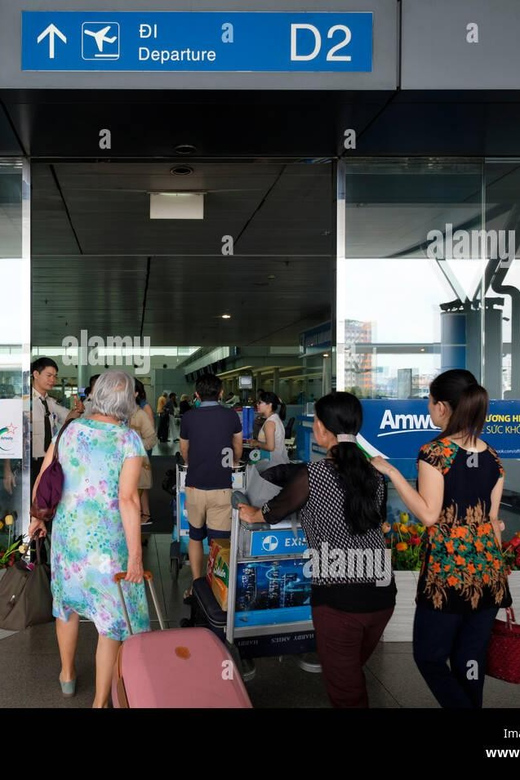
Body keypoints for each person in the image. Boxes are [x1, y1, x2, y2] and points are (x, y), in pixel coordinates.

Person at [239, 392, 395, 708]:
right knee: (351, 674)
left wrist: (247, 511)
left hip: (340, 600)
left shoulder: (314, 475)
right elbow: (379, 524)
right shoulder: (375, 474)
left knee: (346, 692)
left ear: (321, 428)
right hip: (381, 595)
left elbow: (270, 512)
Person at [371, 369, 512, 709]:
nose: (429, 408)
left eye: (430, 402)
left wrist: (391, 472)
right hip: (488, 573)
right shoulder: (492, 454)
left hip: (448, 574)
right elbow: (494, 522)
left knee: (429, 658)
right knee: (470, 661)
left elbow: (429, 514)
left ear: (443, 407)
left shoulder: (435, 452)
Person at [28, 371, 150, 708]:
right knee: (111, 618)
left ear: (95, 394)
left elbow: (45, 475)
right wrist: (136, 555)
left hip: (68, 537)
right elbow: (128, 499)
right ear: (128, 401)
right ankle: (99, 702)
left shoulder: (70, 428)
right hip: (108, 544)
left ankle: (67, 675)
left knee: (66, 607)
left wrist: (38, 519)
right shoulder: (128, 440)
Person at [180, 374, 242, 599]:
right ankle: (217, 591)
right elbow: (237, 446)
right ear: (221, 392)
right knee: (218, 542)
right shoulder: (230, 416)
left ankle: (196, 587)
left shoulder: (188, 417)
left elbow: (184, 450)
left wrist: (193, 463)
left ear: (196, 394)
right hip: (222, 487)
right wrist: (233, 462)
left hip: (195, 486)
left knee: (195, 536)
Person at [31, 357, 83, 489]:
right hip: (30, 463)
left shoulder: (50, 403)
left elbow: (68, 417)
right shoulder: (25, 402)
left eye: (55, 376)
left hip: (48, 461)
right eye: (49, 375)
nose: (53, 380)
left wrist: (78, 410)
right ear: (36, 374)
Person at [130, 379, 158, 526]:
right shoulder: (116, 413)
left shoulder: (141, 413)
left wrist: (137, 448)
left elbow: (152, 438)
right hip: (120, 463)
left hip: (138, 460)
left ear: (135, 393)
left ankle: (143, 515)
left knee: (138, 488)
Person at [249, 391, 290, 467]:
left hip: (272, 465)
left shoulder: (269, 423)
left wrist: (256, 443)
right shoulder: (275, 418)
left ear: (269, 404)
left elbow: (270, 447)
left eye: (260, 403)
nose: (257, 405)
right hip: (278, 462)